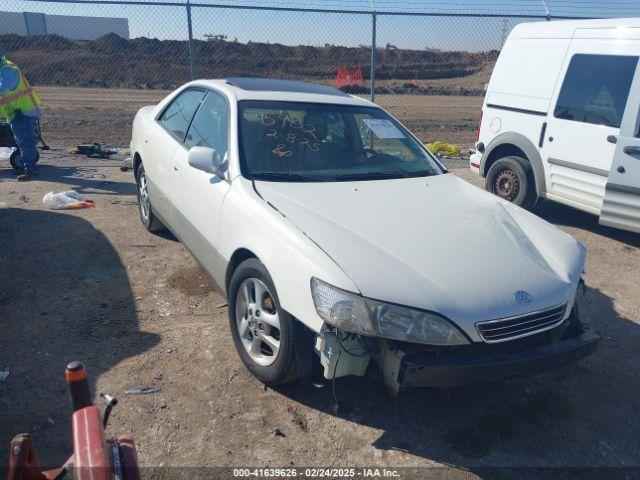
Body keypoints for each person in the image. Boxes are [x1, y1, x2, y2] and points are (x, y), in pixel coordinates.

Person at [0, 44, 43, 181]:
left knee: (25, 141)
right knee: (22, 140)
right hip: (15, 111)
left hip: (23, 111)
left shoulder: (9, 70)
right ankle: (29, 165)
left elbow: (3, 90)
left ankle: (31, 170)